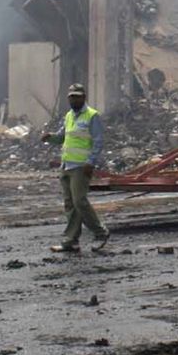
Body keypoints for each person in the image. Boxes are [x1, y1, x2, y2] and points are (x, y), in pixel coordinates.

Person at [46, 83, 110, 253]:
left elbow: (98, 141)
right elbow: (61, 137)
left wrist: (91, 162)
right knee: (70, 204)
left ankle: (100, 233)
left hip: (81, 166)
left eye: (77, 96)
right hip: (66, 165)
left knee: (79, 202)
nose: (74, 99)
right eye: (71, 96)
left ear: (84, 97)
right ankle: (71, 241)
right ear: (68, 98)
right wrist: (49, 138)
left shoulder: (92, 116)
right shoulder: (69, 116)